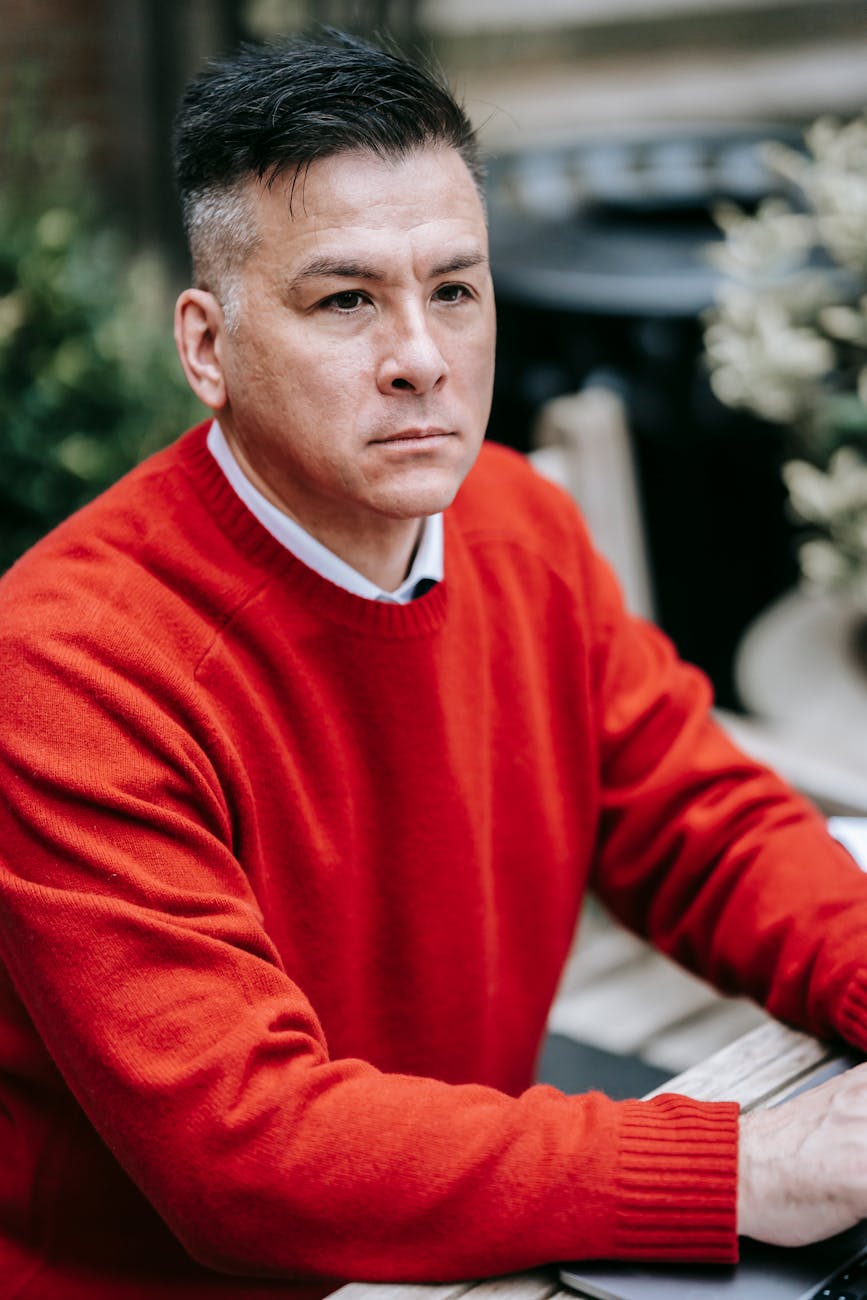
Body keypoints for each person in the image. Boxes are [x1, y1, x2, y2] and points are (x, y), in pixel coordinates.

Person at [1, 27, 867, 1300]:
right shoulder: (66, 669)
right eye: (346, 300)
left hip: (465, 1240)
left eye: (455, 289)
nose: (421, 356)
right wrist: (738, 1167)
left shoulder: (521, 526)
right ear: (207, 345)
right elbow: (248, 1152)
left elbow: (706, 827)